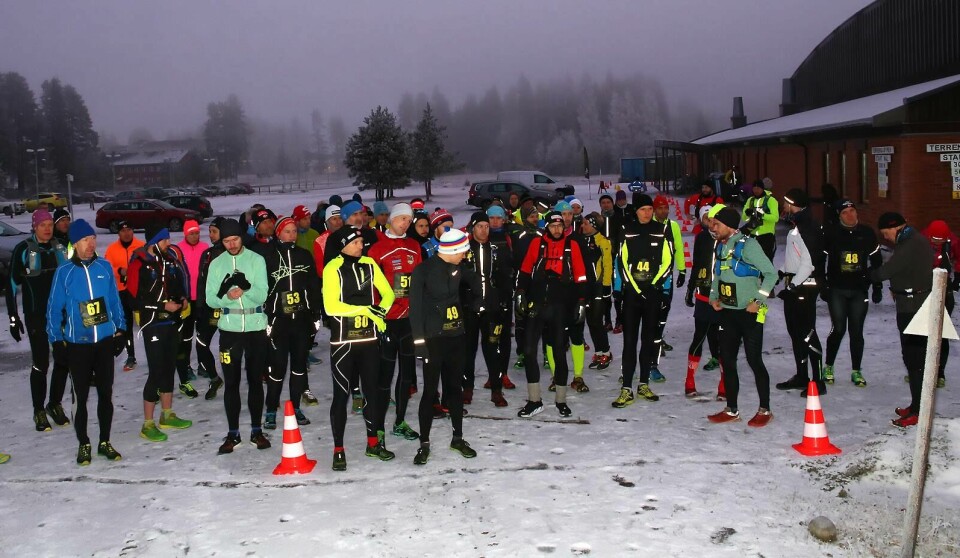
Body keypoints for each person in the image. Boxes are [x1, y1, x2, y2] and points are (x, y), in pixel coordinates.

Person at [46, 219, 126, 465]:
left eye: (92, 238)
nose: (91, 244)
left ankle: (104, 441)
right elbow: (53, 309)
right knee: (80, 398)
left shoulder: (104, 266)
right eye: (84, 240)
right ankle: (84, 443)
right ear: (74, 243)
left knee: (106, 394)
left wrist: (121, 329)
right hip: (78, 345)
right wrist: (56, 341)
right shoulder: (64, 273)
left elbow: (114, 301)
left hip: (103, 342)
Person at [322, 226, 396, 471]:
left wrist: (380, 312)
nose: (360, 246)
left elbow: (388, 294)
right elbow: (332, 307)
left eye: (362, 241)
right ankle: (338, 449)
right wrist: (365, 310)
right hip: (343, 341)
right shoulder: (332, 267)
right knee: (341, 395)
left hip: (368, 339)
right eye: (355, 242)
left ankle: (373, 443)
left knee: (372, 392)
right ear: (343, 245)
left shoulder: (369, 264)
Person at [409, 229, 480, 464]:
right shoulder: (424, 270)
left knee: (455, 388)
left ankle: (457, 438)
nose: (466, 254)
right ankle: (424, 443)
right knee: (430, 391)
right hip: (433, 339)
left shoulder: (458, 266)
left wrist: (480, 300)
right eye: (463, 250)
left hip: (456, 336)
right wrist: (419, 342)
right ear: (452, 251)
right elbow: (415, 309)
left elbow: (475, 282)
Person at [205, 218, 272, 454]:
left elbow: (263, 294)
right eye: (226, 241)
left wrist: (246, 289)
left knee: (255, 379)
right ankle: (233, 433)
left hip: (255, 325)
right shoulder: (216, 263)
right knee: (231, 382)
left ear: (242, 237)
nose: (231, 245)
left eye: (235, 239)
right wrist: (227, 296)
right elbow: (209, 298)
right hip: (229, 329)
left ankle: (256, 430)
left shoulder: (256, 259)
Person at [706, 205, 777, 427]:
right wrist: (713, 297)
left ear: (728, 225)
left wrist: (759, 301)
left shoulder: (749, 246)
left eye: (716, 224)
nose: (713, 228)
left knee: (754, 360)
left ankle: (765, 409)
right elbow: (717, 275)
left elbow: (771, 274)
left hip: (751, 313)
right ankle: (732, 409)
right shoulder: (720, 245)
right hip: (728, 312)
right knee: (727, 361)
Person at [515, 211, 588, 417]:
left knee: (558, 351)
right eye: (552, 226)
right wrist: (520, 292)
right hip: (536, 304)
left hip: (560, 306)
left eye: (560, 226)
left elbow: (581, 274)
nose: (556, 229)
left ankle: (561, 401)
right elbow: (526, 269)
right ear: (546, 227)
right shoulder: (537, 245)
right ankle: (534, 400)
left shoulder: (571, 245)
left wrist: (581, 302)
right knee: (529, 351)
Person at [126, 225, 194, 442]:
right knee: (156, 371)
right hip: (152, 324)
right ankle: (147, 423)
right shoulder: (139, 263)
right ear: (154, 241)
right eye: (164, 240)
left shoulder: (170, 259)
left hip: (171, 323)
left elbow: (177, 285)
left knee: (168, 367)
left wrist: (183, 299)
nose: (168, 244)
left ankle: (166, 414)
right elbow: (134, 299)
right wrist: (162, 306)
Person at [6, 209, 70, 431]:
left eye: (50, 224)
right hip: (36, 317)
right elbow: (12, 285)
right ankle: (38, 410)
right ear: (34, 226)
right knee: (41, 363)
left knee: (63, 360)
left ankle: (55, 403)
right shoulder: (23, 249)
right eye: (42, 224)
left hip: (59, 315)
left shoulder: (59, 248)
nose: (47, 228)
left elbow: (70, 281)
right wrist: (13, 317)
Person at [871, 213, 935, 427]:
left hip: (914, 308)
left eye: (886, 233)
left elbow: (888, 271)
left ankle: (919, 410)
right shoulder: (911, 240)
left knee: (914, 360)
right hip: (910, 304)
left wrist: (866, 274)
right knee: (912, 359)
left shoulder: (910, 244)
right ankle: (916, 404)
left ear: (896, 227)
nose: (886, 238)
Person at [367, 203, 425, 438]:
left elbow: (419, 281)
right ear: (391, 220)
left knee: (407, 376)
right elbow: (371, 287)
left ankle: (399, 421)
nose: (406, 224)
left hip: (409, 321)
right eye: (402, 219)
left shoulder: (414, 246)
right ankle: (378, 427)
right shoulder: (377, 248)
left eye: (409, 221)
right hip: (388, 320)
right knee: (385, 377)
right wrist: (377, 317)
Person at [612, 194, 675, 407]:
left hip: (653, 294)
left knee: (648, 341)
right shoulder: (626, 230)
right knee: (630, 342)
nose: (647, 213)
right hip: (633, 295)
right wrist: (635, 289)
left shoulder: (662, 230)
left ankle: (644, 384)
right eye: (643, 209)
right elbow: (622, 262)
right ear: (635, 211)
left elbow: (668, 261)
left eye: (649, 209)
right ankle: (627, 388)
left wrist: (656, 286)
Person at [262, 216, 322, 430]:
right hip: (279, 321)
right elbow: (262, 289)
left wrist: (316, 314)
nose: (292, 235)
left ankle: (295, 406)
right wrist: (267, 314)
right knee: (277, 367)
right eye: (287, 231)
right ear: (278, 233)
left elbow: (314, 286)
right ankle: (270, 409)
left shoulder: (304, 255)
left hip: (301, 321)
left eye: (294, 231)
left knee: (299, 366)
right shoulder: (268, 256)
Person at [822, 200, 883, 387]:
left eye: (852, 211)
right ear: (839, 216)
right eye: (845, 213)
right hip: (837, 289)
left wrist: (877, 285)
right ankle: (829, 366)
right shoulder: (831, 233)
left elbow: (877, 261)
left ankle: (856, 370)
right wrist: (822, 284)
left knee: (856, 331)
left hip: (858, 289)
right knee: (839, 328)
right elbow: (819, 259)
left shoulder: (866, 233)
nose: (850, 215)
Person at [773, 189, 826, 397]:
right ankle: (802, 375)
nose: (783, 207)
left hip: (805, 287)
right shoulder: (797, 226)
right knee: (795, 333)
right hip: (794, 283)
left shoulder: (807, 227)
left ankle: (818, 380)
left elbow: (808, 263)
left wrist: (793, 286)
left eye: (786, 203)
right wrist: (782, 272)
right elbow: (796, 256)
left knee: (807, 333)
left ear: (793, 204)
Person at [460, 211, 512, 407]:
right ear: (473, 227)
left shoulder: (496, 248)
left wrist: (504, 302)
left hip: (492, 307)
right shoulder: (464, 249)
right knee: (468, 349)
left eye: (486, 226)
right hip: (469, 307)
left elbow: (505, 277)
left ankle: (496, 389)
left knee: (492, 348)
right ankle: (467, 388)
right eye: (480, 226)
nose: (483, 230)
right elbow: (457, 278)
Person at [683, 206, 725, 398]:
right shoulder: (702, 238)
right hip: (704, 293)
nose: (710, 222)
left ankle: (724, 384)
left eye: (713, 218)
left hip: (725, 295)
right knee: (699, 335)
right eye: (706, 219)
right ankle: (690, 379)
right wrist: (691, 287)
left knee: (723, 340)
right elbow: (698, 263)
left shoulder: (728, 237)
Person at [650, 195, 687, 381]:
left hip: (667, 278)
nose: (664, 211)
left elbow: (679, 248)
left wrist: (682, 270)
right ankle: (650, 355)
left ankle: (659, 337)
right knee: (651, 315)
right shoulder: (649, 225)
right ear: (654, 210)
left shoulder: (673, 226)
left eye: (666, 208)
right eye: (660, 208)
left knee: (664, 312)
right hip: (649, 279)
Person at [922, 220, 960, 387]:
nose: (938, 242)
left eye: (941, 240)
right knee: (922, 332)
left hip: (945, 290)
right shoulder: (920, 240)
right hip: (923, 289)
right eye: (935, 239)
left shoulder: (954, 242)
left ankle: (940, 372)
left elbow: (959, 259)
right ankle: (921, 368)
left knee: (941, 332)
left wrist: (957, 278)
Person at [103, 221, 144, 371]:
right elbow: (107, 266)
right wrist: (119, 270)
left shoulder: (141, 246)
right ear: (118, 233)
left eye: (129, 229)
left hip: (139, 291)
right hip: (121, 290)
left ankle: (152, 351)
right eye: (123, 230)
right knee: (125, 324)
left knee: (145, 322)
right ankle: (131, 356)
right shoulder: (112, 249)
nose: (126, 233)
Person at [193, 217, 226, 399]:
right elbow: (201, 282)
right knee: (201, 343)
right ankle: (214, 378)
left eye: (214, 231)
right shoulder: (206, 254)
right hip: (209, 308)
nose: (210, 234)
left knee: (227, 347)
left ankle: (232, 380)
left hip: (228, 309)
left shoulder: (232, 254)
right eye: (210, 231)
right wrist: (199, 306)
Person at [174, 219, 208, 394]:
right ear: (185, 234)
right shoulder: (178, 250)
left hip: (202, 299)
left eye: (196, 233)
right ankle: (185, 366)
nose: (194, 236)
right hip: (186, 300)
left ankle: (203, 364)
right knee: (185, 336)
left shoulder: (205, 248)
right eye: (191, 233)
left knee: (202, 334)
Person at [581, 213, 614, 374]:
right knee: (590, 321)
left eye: (586, 223)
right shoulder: (581, 239)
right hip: (585, 287)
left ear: (593, 225)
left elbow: (608, 265)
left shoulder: (603, 241)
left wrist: (607, 287)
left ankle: (606, 352)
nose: (583, 225)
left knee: (597, 319)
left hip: (598, 286)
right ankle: (599, 351)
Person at [741, 179, 779, 261]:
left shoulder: (771, 200)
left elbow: (775, 218)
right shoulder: (750, 200)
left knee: (767, 261)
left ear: (763, 189)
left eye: (758, 188)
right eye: (754, 188)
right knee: (754, 261)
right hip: (753, 236)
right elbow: (744, 218)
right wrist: (748, 214)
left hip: (767, 236)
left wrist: (762, 215)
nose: (756, 190)